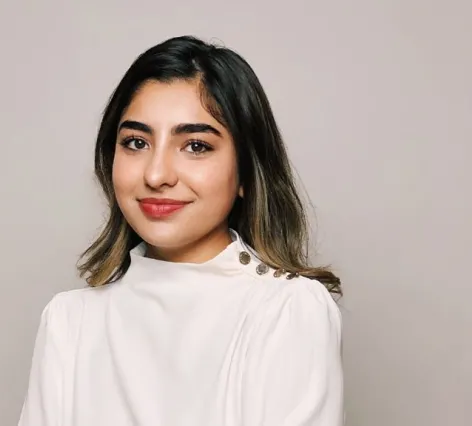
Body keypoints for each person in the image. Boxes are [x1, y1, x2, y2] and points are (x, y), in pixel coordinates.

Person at [18, 35, 343, 426]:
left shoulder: (287, 311)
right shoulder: (69, 322)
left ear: (246, 172)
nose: (156, 175)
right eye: (136, 142)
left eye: (195, 146)